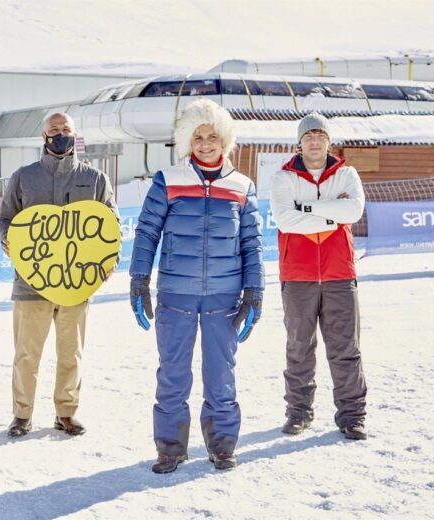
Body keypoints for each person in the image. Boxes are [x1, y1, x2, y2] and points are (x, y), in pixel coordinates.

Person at [129, 98, 264, 473]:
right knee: (173, 374)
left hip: (224, 297)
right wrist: (139, 280)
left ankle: (222, 444)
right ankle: (170, 447)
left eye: (213, 136)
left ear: (225, 141)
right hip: (176, 295)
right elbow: (146, 234)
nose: (206, 143)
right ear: (188, 142)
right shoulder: (168, 180)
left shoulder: (241, 186)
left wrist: (254, 291)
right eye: (198, 136)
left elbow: (251, 243)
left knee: (221, 376)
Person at [0, 112, 118, 439]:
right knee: (26, 354)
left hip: (77, 284)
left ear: (75, 136)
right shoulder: (23, 177)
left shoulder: (94, 179)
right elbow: (4, 217)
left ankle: (66, 412)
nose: (60, 134)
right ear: (44, 136)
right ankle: (22, 414)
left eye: (66, 130)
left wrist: (108, 259)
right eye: (54, 130)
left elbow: (111, 225)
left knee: (71, 353)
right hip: (30, 283)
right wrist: (8, 237)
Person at [270, 113, 367, 441]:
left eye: (320, 135)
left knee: (346, 348)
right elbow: (285, 220)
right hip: (297, 275)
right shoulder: (283, 178)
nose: (314, 141)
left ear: (328, 141)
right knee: (299, 347)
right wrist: (329, 214)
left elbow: (352, 212)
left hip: (340, 273)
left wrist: (307, 209)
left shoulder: (347, 173)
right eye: (308, 135)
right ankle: (298, 412)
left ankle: (352, 416)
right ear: (300, 142)